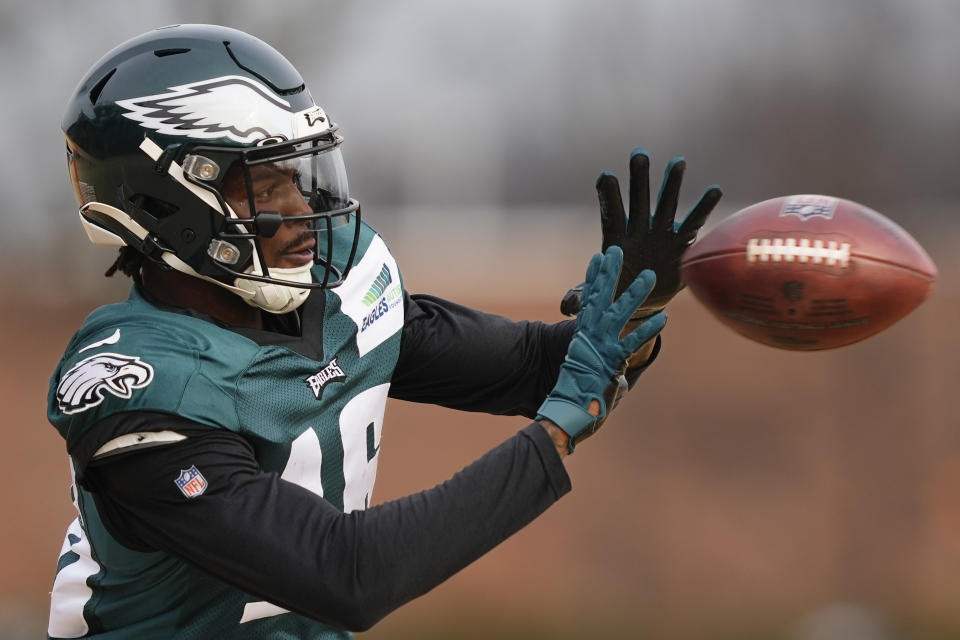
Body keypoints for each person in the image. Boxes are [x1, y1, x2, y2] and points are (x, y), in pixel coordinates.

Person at [46, 24, 722, 639]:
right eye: (263, 186)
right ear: (167, 205)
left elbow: (535, 367)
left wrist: (632, 312)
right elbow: (346, 575)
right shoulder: (140, 388)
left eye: (297, 174)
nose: (302, 206)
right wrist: (555, 431)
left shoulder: (336, 293)